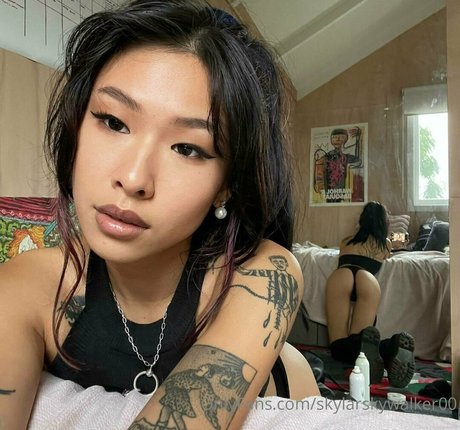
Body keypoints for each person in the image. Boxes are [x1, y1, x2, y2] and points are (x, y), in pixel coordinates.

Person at [0, 1, 319, 429]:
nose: (134, 179)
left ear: (227, 183)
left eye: (188, 148)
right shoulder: (26, 287)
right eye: (113, 122)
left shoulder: (262, 274)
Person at [325, 201, 415, 388]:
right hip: (367, 279)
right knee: (362, 340)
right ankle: (390, 347)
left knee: (338, 345)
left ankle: (382, 349)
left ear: (362, 220)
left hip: (342, 276)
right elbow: (403, 241)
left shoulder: (346, 240)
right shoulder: (385, 244)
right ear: (384, 222)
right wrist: (391, 232)